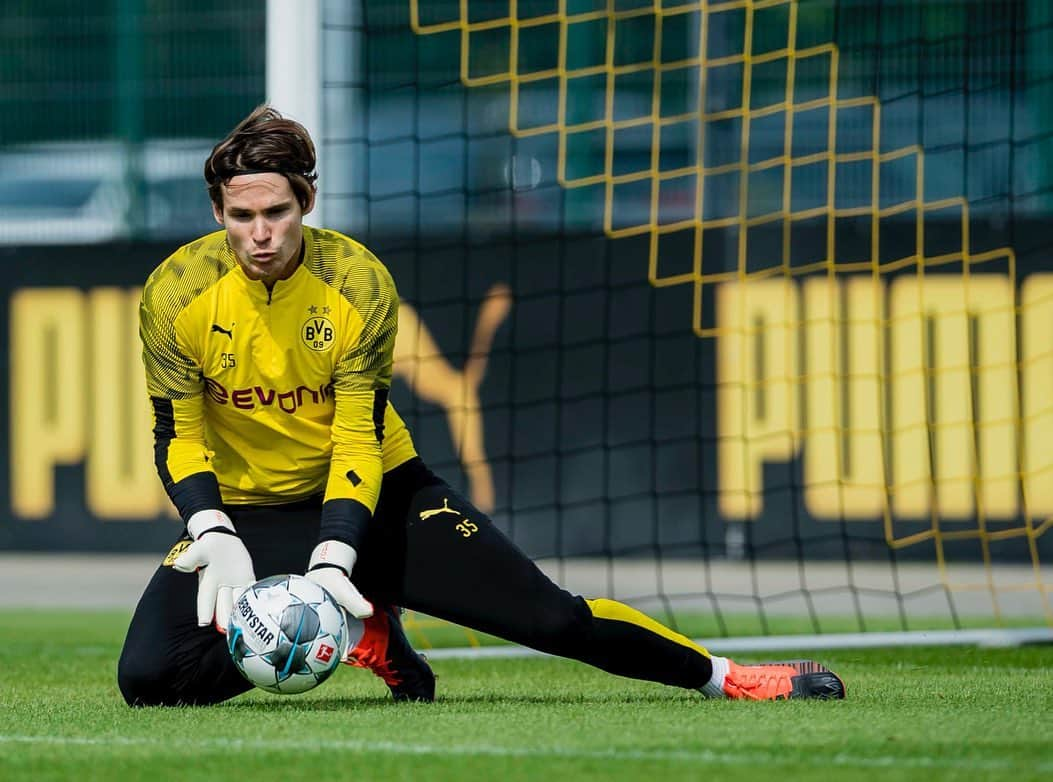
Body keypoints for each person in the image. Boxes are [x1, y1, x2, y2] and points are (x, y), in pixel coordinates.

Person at [116, 105, 846, 707]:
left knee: (551, 617)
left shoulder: (359, 284)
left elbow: (357, 441)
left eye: (276, 211)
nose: (261, 234)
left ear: (305, 202)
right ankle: (368, 636)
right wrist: (213, 532)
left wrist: (337, 555)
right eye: (241, 217)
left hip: (378, 494)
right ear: (217, 210)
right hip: (247, 515)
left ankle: (733, 677)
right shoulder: (175, 293)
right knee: (148, 679)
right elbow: (178, 436)